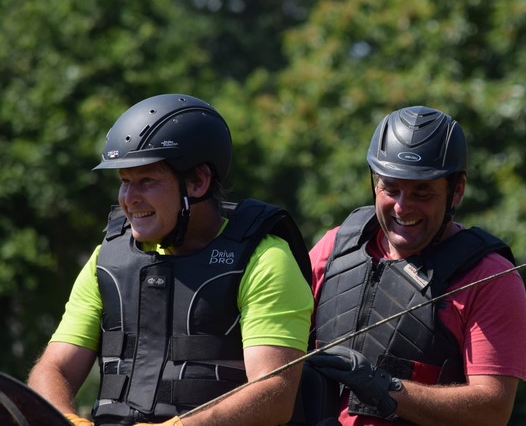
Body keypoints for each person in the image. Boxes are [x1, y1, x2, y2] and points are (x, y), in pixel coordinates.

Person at [27, 94, 314, 426]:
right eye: (124, 182)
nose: (129, 199)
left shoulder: (265, 259)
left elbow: (275, 394)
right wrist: (66, 420)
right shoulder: (106, 259)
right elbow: (54, 368)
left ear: (198, 181)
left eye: (146, 181)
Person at [305, 105, 526, 425]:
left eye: (422, 193)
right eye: (391, 188)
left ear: (457, 191)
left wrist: (386, 389)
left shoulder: (490, 278)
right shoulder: (333, 248)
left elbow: (492, 410)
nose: (402, 207)